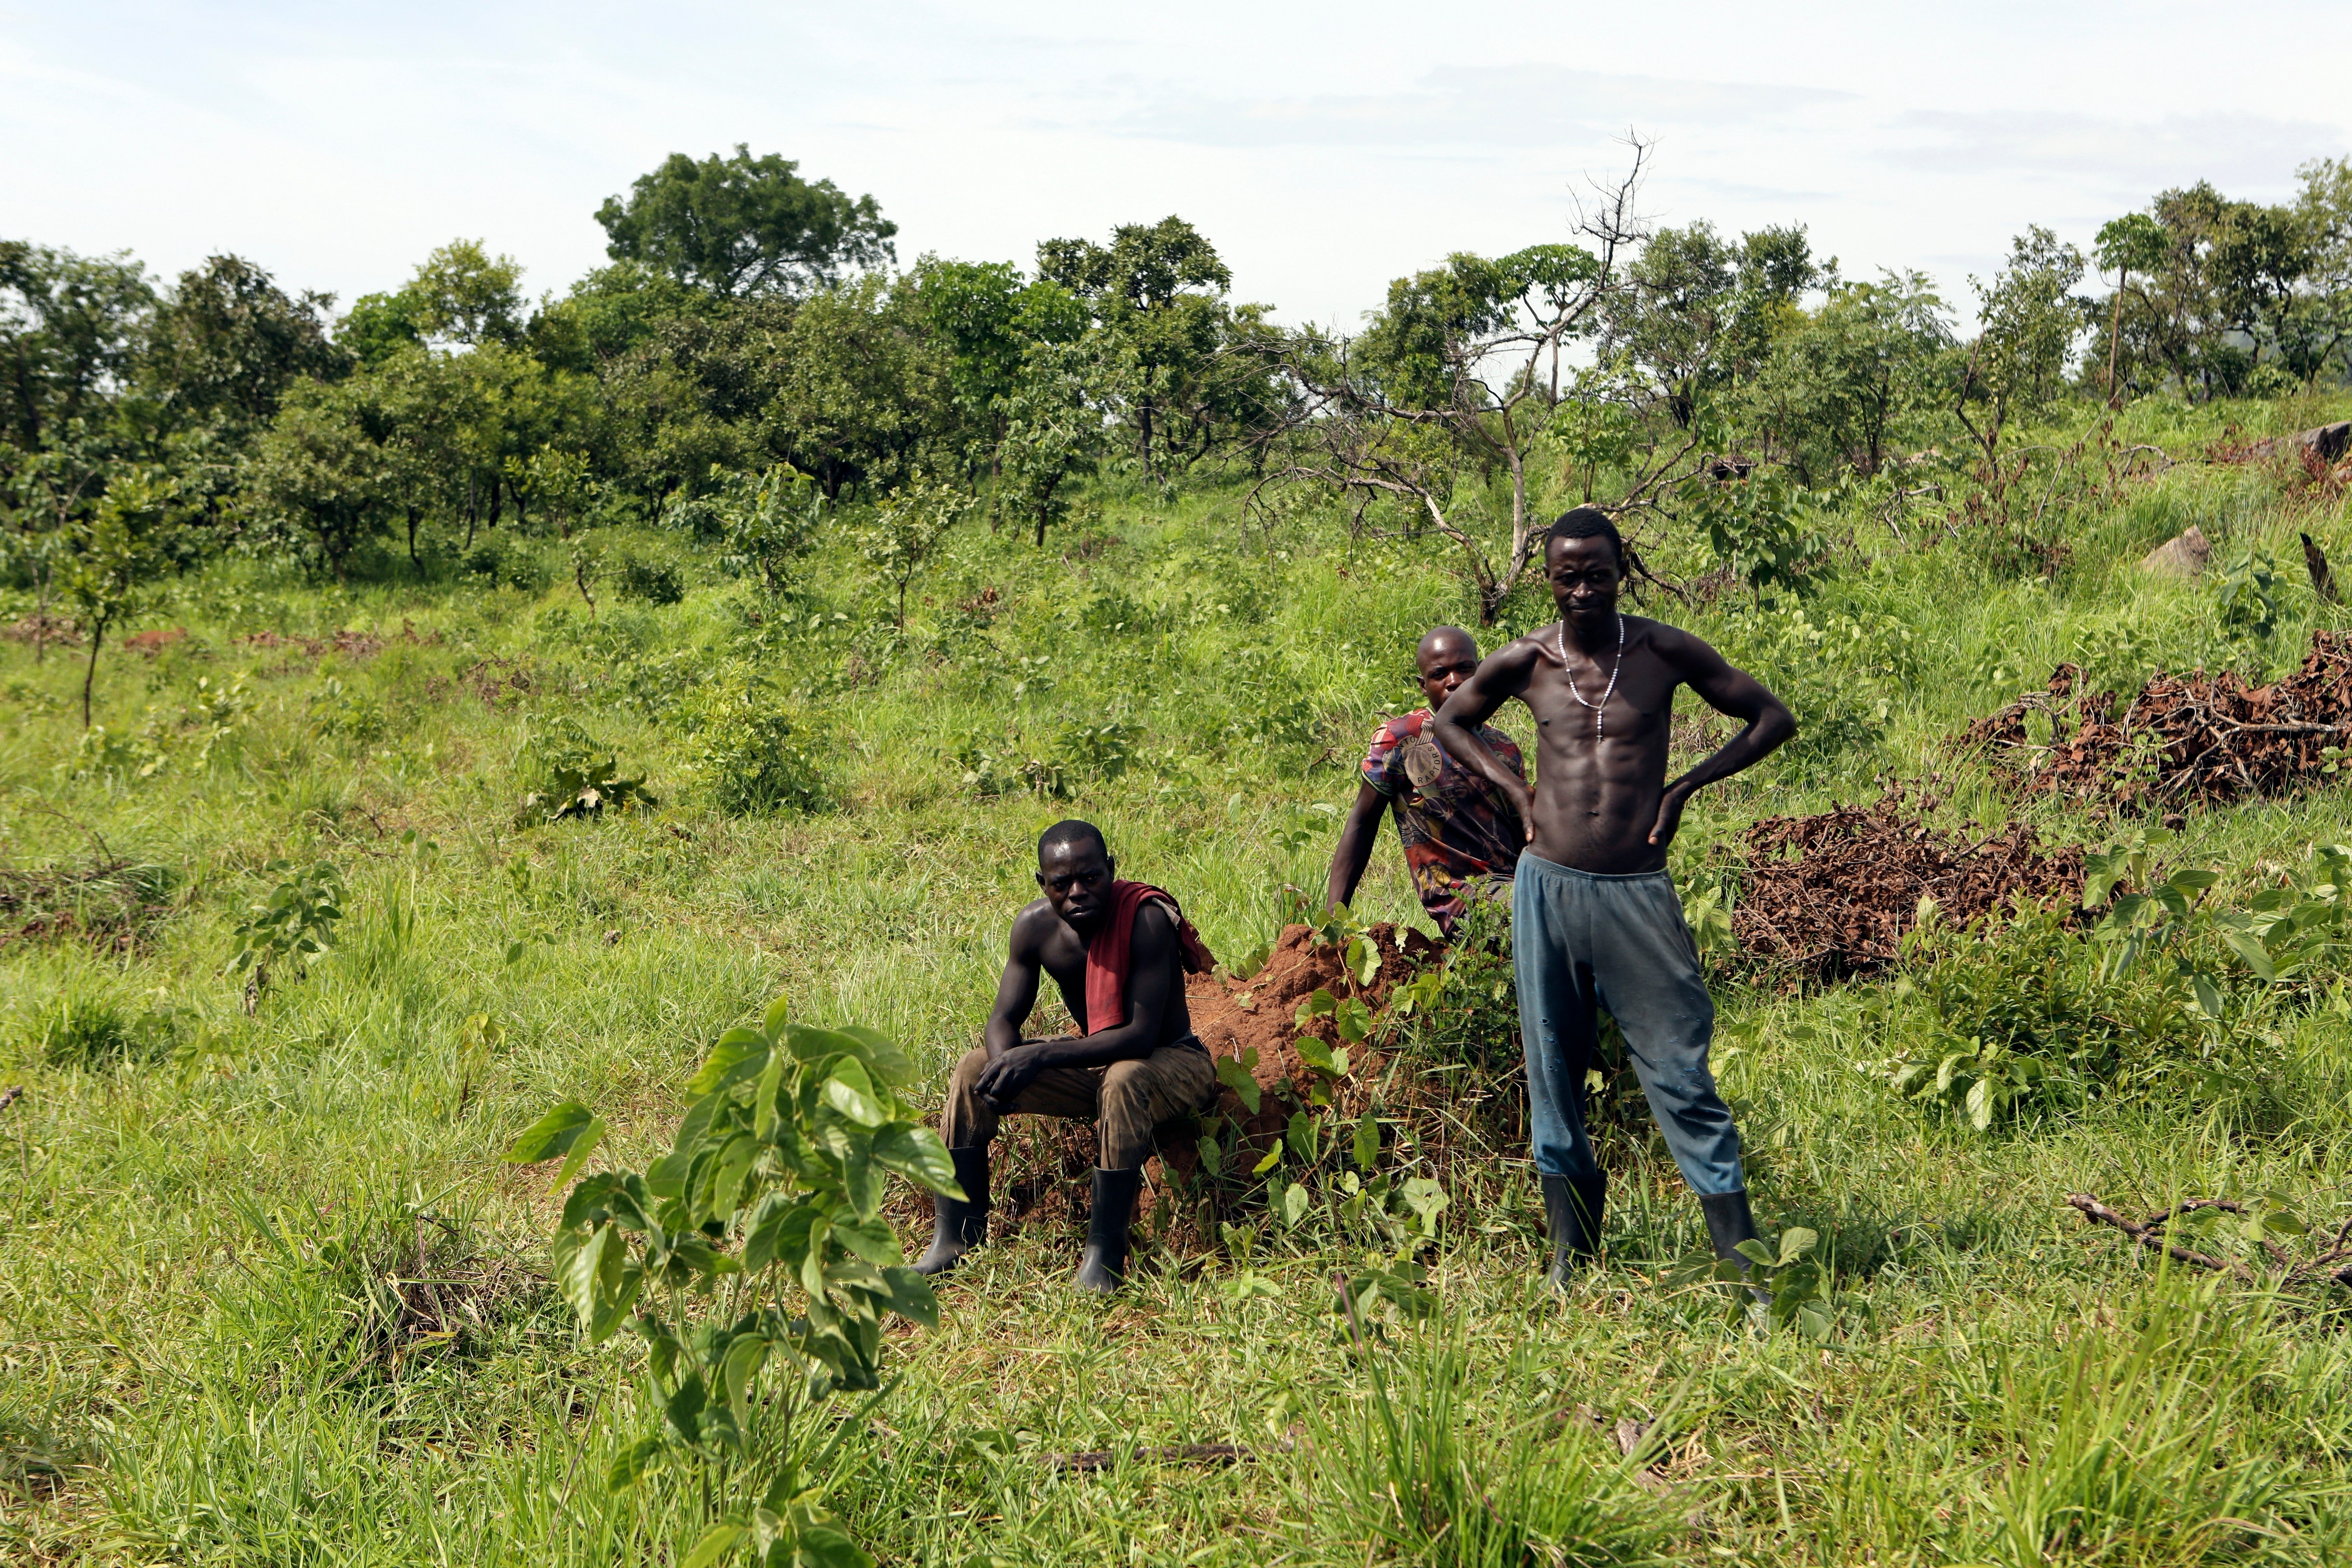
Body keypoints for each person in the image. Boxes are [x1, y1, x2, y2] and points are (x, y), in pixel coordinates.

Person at [1433, 507, 1796, 1290]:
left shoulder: (1663, 650)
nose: (1584, 589)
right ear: (1550, 580)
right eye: (1568, 576)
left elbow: (1772, 717)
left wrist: (1686, 788)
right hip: (1547, 891)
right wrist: (1517, 793)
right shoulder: (1528, 660)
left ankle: (1745, 1269)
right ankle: (1574, 1254)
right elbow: (1450, 721)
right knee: (1553, 1068)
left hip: (1635, 891)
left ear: (1621, 569)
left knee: (1678, 1068)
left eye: (1598, 572)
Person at [912, 820, 1218, 1293]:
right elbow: (1003, 1019)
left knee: (1123, 1077)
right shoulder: (1034, 929)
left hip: (1173, 1063)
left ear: (1111, 870)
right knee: (974, 1068)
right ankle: (955, 1239)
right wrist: (1004, 1065)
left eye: (1091, 878)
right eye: (1062, 884)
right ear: (1043, 885)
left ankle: (1104, 1256)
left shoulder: (1145, 919)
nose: (1078, 892)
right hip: (1097, 1064)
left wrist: (1041, 1057)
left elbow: (1140, 1038)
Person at [1324, 626, 1528, 937]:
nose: (1454, 682)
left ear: (1481, 673)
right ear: (1423, 685)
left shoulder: (1504, 749)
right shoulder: (1404, 739)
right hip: (1464, 899)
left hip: (1521, 886)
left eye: (1464, 669)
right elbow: (1362, 823)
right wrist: (1332, 923)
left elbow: (1525, 835)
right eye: (1439, 674)